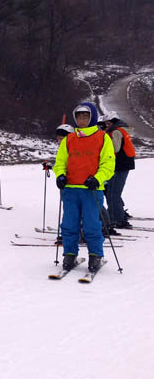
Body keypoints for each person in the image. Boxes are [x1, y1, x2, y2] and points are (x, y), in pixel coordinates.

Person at [53, 102, 115, 273]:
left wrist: (97, 178)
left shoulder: (102, 137)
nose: (82, 120)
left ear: (92, 118)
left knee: (91, 224)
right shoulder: (69, 139)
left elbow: (108, 163)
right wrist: (60, 175)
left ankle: (95, 255)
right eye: (79, 117)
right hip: (71, 189)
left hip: (91, 190)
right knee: (69, 224)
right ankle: (70, 254)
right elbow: (60, 162)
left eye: (85, 117)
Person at [103, 111, 135, 230]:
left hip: (119, 165)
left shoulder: (116, 131)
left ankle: (117, 219)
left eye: (108, 123)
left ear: (113, 122)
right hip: (124, 164)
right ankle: (118, 217)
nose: (106, 125)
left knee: (113, 193)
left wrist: (104, 144)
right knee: (114, 192)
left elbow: (115, 147)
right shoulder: (121, 130)